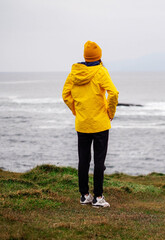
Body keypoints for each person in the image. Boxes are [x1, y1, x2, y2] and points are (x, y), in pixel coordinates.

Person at [62, 41, 119, 208]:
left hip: (82, 123)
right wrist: (110, 112)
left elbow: (65, 94)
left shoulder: (74, 72)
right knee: (99, 161)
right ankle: (98, 197)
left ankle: (84, 195)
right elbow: (113, 93)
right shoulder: (100, 71)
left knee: (83, 160)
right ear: (99, 56)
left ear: (85, 56)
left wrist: (76, 110)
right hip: (100, 123)